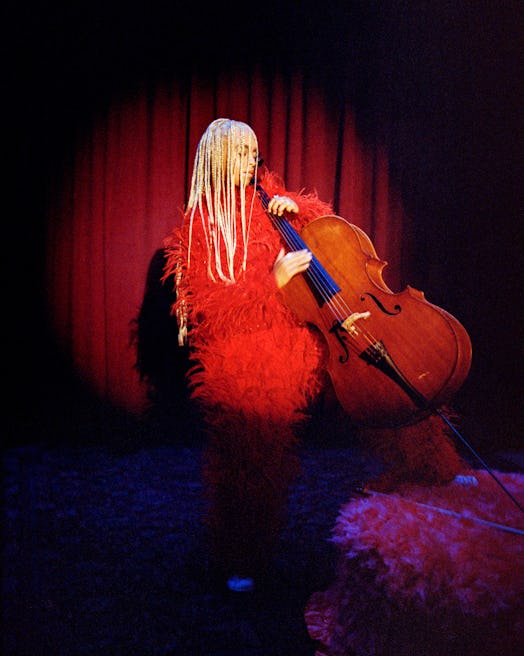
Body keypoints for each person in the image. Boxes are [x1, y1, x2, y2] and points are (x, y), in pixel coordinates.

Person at [160, 118, 465, 592]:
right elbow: (208, 309)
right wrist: (274, 281)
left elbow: (326, 228)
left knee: (386, 372)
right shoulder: (201, 228)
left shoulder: (271, 200)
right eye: (239, 155)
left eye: (253, 153)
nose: (250, 163)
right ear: (214, 160)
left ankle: (433, 467)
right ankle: (242, 553)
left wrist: (297, 207)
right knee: (252, 452)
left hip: (315, 328)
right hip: (253, 348)